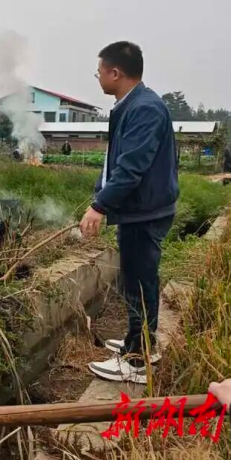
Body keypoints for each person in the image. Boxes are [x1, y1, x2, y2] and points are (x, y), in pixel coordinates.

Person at [80, 42, 179, 384]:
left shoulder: (145, 109)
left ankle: (136, 362)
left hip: (144, 212)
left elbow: (131, 168)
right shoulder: (132, 106)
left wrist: (99, 206)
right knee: (137, 279)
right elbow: (115, 163)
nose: (98, 78)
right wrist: (100, 193)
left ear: (115, 72)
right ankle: (139, 343)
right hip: (139, 209)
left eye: (99, 72)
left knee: (138, 282)